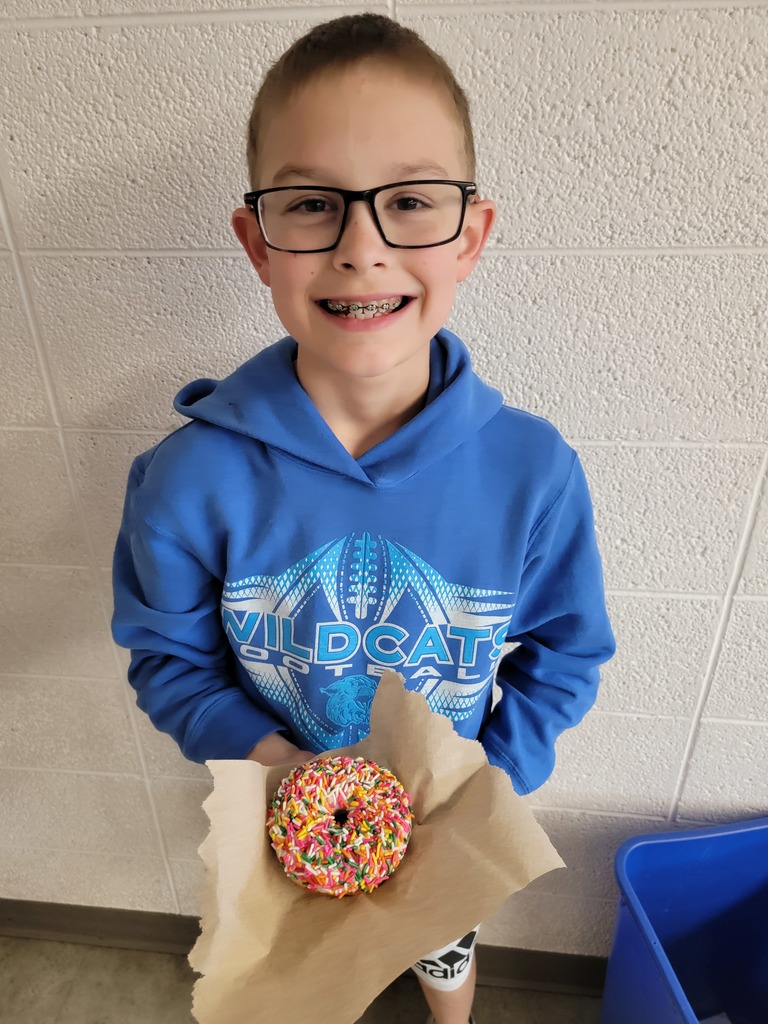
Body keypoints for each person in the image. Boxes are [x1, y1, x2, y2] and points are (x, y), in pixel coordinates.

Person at [112, 14, 615, 1024]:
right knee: (292, 974)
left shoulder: (534, 472)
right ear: (258, 242)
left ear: (470, 234)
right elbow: (169, 662)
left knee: (444, 952)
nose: (361, 248)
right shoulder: (186, 478)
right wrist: (276, 768)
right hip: (278, 815)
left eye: (412, 201)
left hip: (449, 822)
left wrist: (478, 794)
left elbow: (564, 656)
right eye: (311, 205)